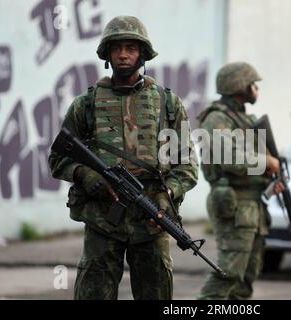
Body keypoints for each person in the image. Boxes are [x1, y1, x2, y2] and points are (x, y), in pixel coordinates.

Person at [48, 16, 198, 300]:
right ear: (107, 54)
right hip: (103, 220)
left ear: (142, 53)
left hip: (151, 219)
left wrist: (168, 195)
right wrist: (85, 174)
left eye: (131, 47)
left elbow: (187, 164)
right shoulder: (86, 104)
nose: (124, 54)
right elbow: (58, 158)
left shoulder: (168, 103)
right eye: (117, 48)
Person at [197, 62, 284, 299]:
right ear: (238, 85)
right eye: (252, 84)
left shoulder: (244, 119)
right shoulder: (216, 119)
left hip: (253, 205)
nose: (256, 88)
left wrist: (271, 176)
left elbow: (253, 162)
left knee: (245, 280)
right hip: (234, 205)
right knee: (229, 274)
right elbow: (229, 158)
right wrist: (267, 162)